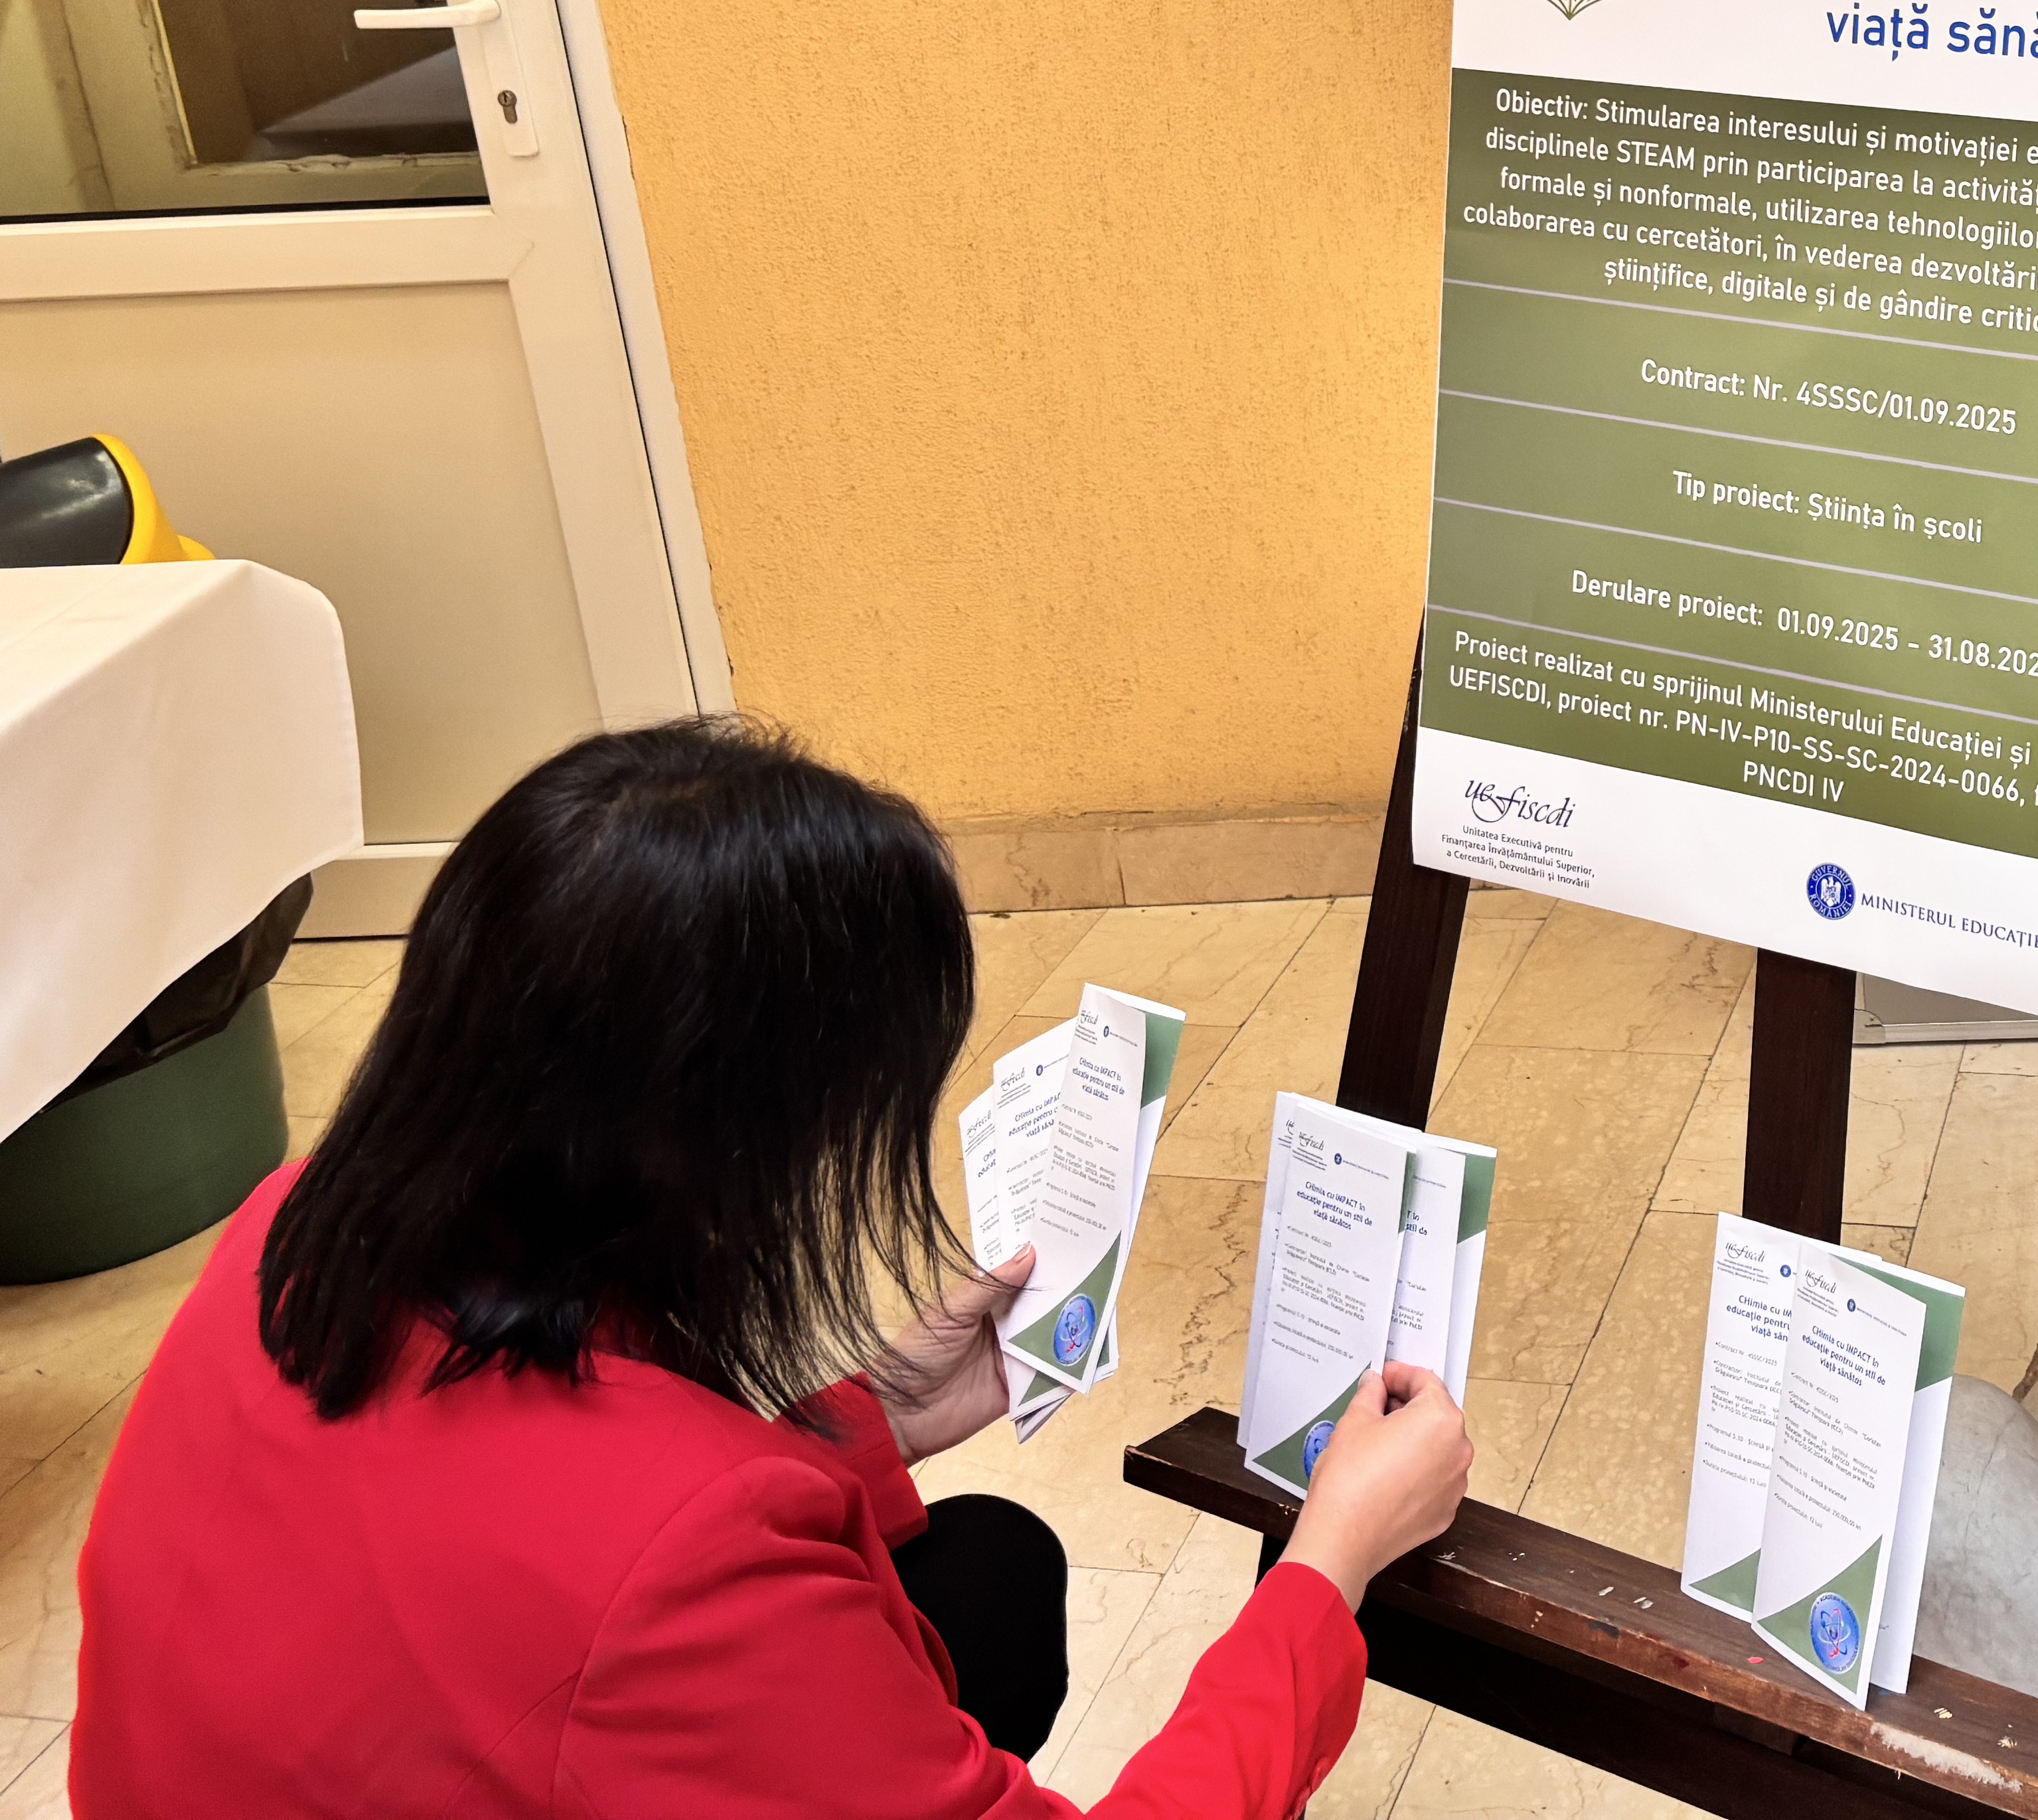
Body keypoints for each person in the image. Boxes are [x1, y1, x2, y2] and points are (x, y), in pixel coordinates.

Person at [72, 719, 1470, 1816]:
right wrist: (1327, 1563)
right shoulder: (686, 1565)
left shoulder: (289, 1228)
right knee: (968, 1606)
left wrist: (871, 1414)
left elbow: (517, 1520)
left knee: (981, 1579)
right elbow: (621, 1557)